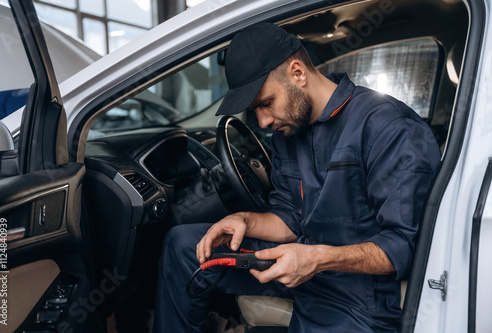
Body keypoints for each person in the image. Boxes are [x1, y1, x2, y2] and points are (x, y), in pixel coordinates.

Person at [153, 23, 441, 332]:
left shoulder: (388, 128)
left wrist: (316, 258)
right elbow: (291, 217)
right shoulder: (289, 131)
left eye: (265, 103)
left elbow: (402, 247)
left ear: (298, 73)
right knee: (185, 244)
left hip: (358, 295)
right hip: (298, 262)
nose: (262, 121)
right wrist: (245, 220)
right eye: (255, 110)